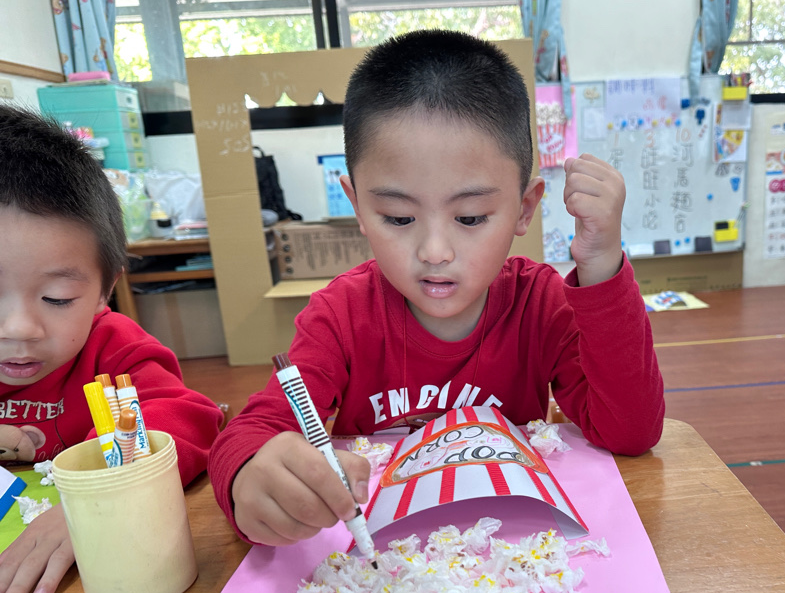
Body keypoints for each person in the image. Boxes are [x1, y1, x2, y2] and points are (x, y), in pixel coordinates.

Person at [209, 29, 665, 547]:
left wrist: (602, 265)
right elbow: (250, 434)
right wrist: (250, 475)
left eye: (469, 218)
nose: (434, 251)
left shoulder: (540, 305)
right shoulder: (341, 316)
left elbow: (630, 431)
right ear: (358, 207)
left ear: (524, 208)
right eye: (398, 217)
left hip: (510, 552)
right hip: (382, 559)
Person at [0, 105, 224, 593]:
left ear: (105, 290)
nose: (19, 329)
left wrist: (95, 502)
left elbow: (186, 417)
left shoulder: (112, 351)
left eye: (57, 298)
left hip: (100, 575)